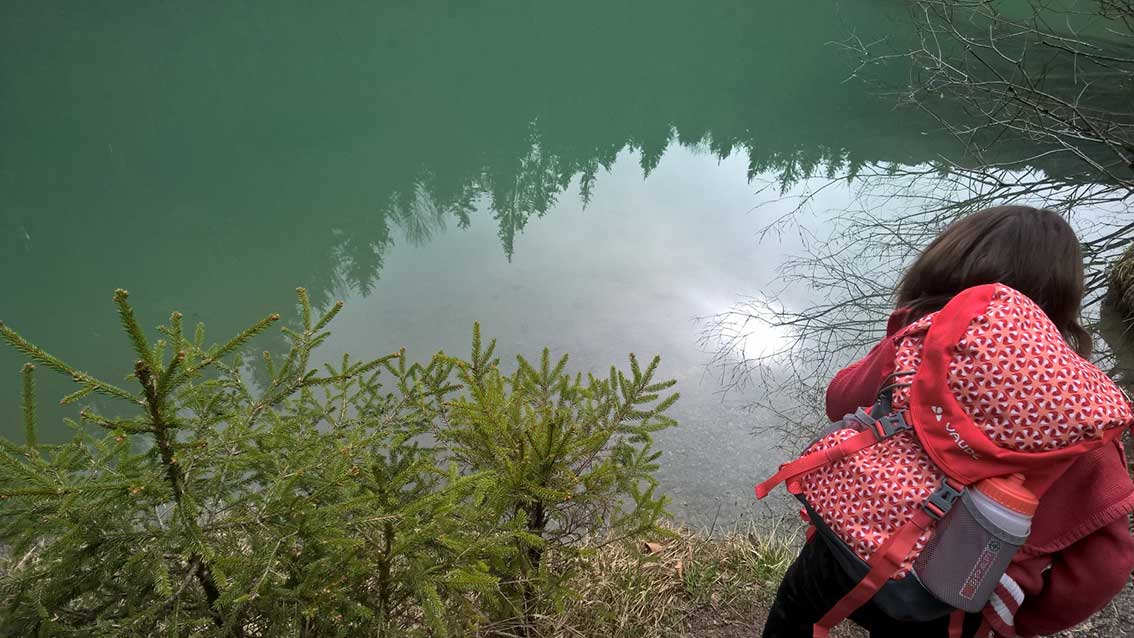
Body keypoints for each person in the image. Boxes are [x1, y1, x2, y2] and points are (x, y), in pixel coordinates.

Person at [761, 206, 1134, 637]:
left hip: (848, 547)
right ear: (1062, 300)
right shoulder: (1087, 415)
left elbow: (839, 398)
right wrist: (1018, 618)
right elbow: (1105, 565)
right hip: (953, 599)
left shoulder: (930, 340)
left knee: (797, 610)